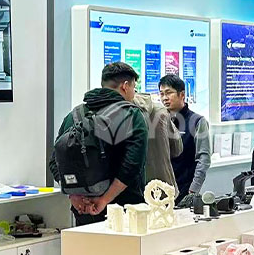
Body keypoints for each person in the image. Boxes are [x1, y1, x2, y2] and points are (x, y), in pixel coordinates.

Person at [49, 62, 149, 225]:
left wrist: (75, 195)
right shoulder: (132, 115)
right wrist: (104, 200)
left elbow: (55, 161)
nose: (134, 93)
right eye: (134, 87)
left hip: (83, 210)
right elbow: (133, 165)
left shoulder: (75, 115)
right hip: (125, 211)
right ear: (125, 86)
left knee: (87, 243)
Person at [159, 74, 211, 205]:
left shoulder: (197, 121)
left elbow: (204, 158)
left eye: (169, 93)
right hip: (162, 190)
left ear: (182, 94)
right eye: (161, 94)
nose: (164, 98)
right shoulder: (159, 121)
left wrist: (193, 190)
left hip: (185, 189)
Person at [133, 88, 182, 191]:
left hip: (131, 189)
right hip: (164, 186)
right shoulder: (160, 110)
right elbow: (177, 149)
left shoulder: (118, 111)